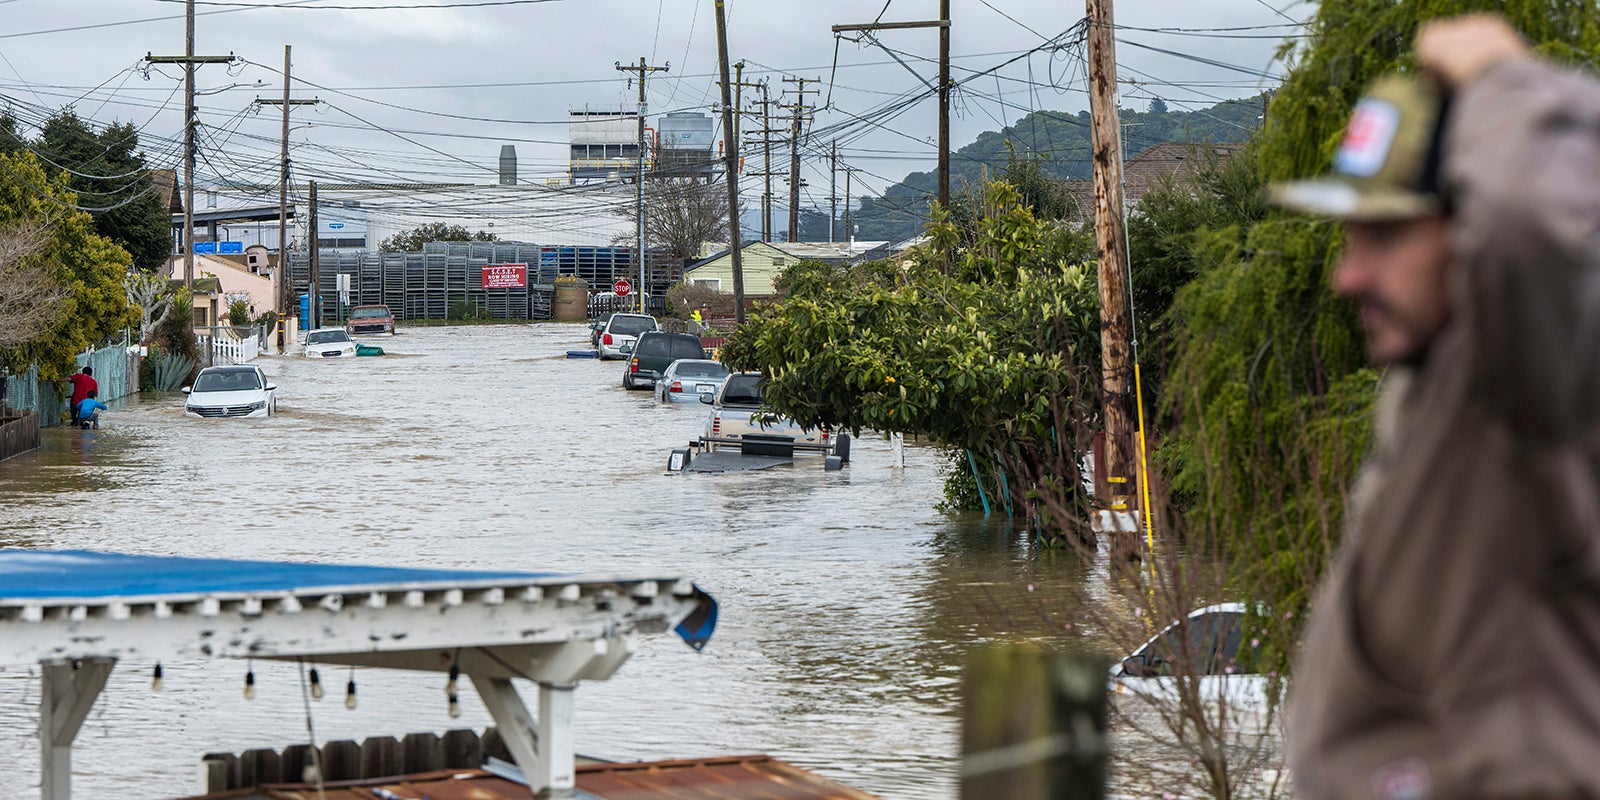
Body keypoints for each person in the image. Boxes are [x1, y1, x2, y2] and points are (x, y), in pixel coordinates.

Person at [1268, 14, 1600, 799]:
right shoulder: (1437, 390)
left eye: (1384, 237)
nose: (1348, 277)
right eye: (1349, 238)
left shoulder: (1527, 379)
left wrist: (1501, 76)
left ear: (1469, 237)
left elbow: (1530, 223)